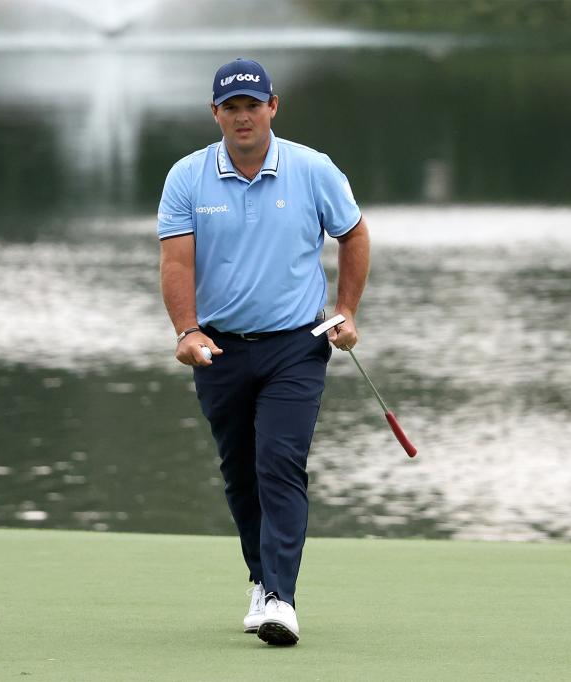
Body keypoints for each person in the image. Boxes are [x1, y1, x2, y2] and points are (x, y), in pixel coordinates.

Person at [157, 58, 370, 646]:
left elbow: (352, 234)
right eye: (232, 107)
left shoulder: (311, 169)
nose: (243, 116)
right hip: (218, 350)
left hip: (295, 347)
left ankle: (280, 597)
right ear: (215, 113)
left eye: (254, 105)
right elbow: (177, 261)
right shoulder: (187, 177)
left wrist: (347, 311)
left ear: (273, 107)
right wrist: (186, 331)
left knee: (279, 462)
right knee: (240, 472)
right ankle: (261, 577)